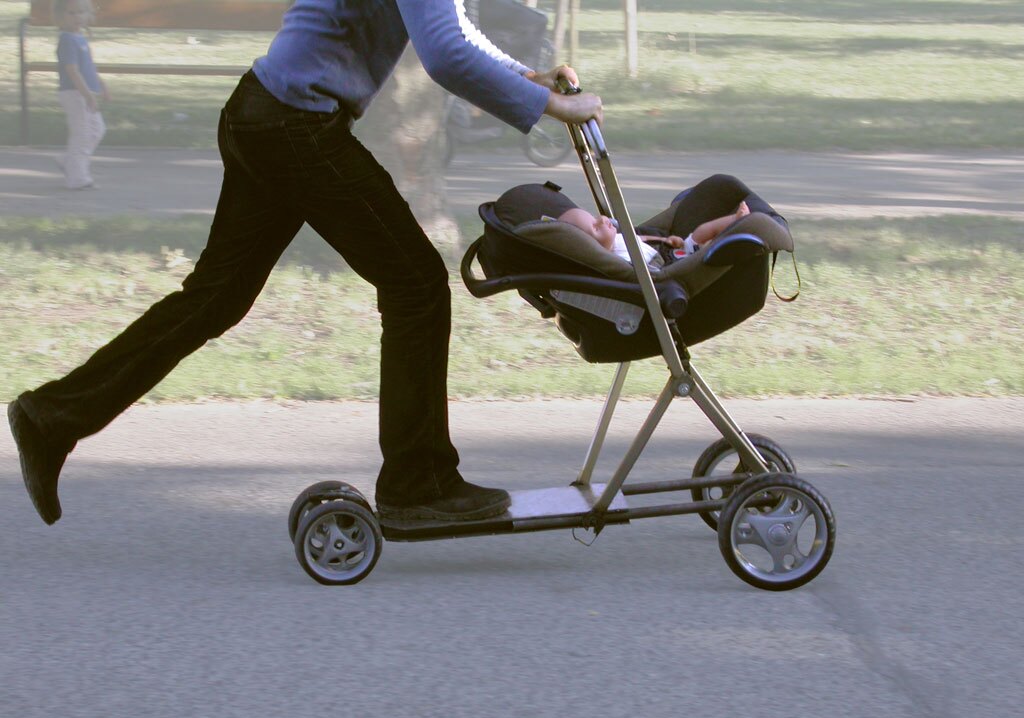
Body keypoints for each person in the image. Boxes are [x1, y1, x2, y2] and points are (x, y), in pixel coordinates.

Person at [7, 0, 603, 529]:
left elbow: (453, 28)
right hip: (296, 125)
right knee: (416, 284)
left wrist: (526, 77)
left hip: (264, 109)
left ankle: (52, 417)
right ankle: (417, 483)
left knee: (215, 298)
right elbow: (445, 53)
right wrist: (549, 104)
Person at [557, 200, 751, 267]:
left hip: (671, 252)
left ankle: (735, 220)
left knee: (700, 233)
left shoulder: (618, 239)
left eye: (594, 217)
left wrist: (665, 240)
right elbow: (648, 275)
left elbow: (642, 239)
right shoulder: (617, 262)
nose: (602, 219)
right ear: (590, 249)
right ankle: (736, 231)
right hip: (674, 268)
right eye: (596, 227)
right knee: (708, 247)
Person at [53, 0, 108, 190]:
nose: (77, 17)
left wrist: (101, 84)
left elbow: (88, 67)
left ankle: (69, 161)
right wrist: (87, 95)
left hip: (85, 93)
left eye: (81, 12)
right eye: (71, 13)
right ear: (61, 16)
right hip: (75, 93)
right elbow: (72, 71)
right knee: (82, 135)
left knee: (97, 130)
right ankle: (77, 177)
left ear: (88, 14)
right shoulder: (67, 40)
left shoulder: (80, 37)